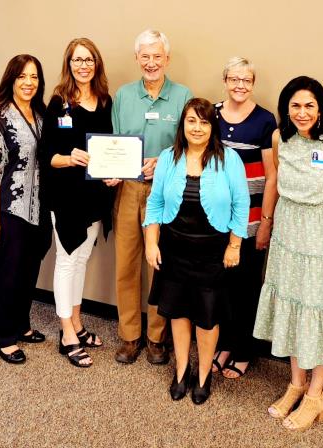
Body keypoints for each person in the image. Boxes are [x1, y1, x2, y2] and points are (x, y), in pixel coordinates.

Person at [253, 76, 323, 431]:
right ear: (286, 109)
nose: (302, 113)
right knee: (294, 307)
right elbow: (275, 182)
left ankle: (316, 396)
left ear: (321, 109)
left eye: (309, 106)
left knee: (319, 311)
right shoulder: (280, 138)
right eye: (296, 106)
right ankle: (296, 385)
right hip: (288, 236)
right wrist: (267, 223)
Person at [144, 98, 249, 404]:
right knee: (177, 313)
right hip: (174, 248)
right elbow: (155, 203)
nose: (198, 128)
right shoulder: (169, 157)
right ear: (183, 124)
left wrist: (234, 246)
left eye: (204, 122)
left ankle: (203, 374)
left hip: (212, 251)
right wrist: (151, 242)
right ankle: (181, 370)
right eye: (192, 121)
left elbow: (241, 205)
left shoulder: (229, 159)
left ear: (212, 127)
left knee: (206, 317)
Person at [111, 29, 192, 364]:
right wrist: (110, 169)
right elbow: (114, 142)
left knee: (160, 264)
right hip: (128, 189)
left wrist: (163, 160)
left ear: (167, 59)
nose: (151, 62)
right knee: (126, 264)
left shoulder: (183, 95)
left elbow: (191, 145)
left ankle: (157, 337)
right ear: (137, 59)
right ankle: (130, 335)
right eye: (145, 56)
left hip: (164, 191)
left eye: (157, 56)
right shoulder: (123, 95)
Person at [41, 38, 115, 367]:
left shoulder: (106, 101)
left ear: (96, 64)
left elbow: (112, 147)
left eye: (88, 60)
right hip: (66, 197)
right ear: (68, 64)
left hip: (95, 195)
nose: (83, 66)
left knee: (82, 259)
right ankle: (66, 333)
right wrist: (70, 158)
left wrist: (114, 173)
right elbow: (47, 155)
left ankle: (77, 321)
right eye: (77, 60)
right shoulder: (59, 102)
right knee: (67, 259)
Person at [0, 55, 51, 364]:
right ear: (11, 80)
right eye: (22, 76)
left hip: (37, 209)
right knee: (6, 275)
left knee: (28, 271)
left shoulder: (42, 114)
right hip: (6, 210)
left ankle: (21, 325)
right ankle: (3, 338)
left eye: (34, 77)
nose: (28, 82)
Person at [212, 57, 277, 379]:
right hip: (216, 219)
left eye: (246, 80)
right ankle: (224, 344)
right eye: (234, 79)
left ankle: (243, 350)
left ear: (253, 84)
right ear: (225, 80)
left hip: (250, 219)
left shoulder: (265, 120)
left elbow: (272, 175)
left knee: (247, 287)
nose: (240, 85)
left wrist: (266, 222)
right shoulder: (211, 114)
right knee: (220, 286)